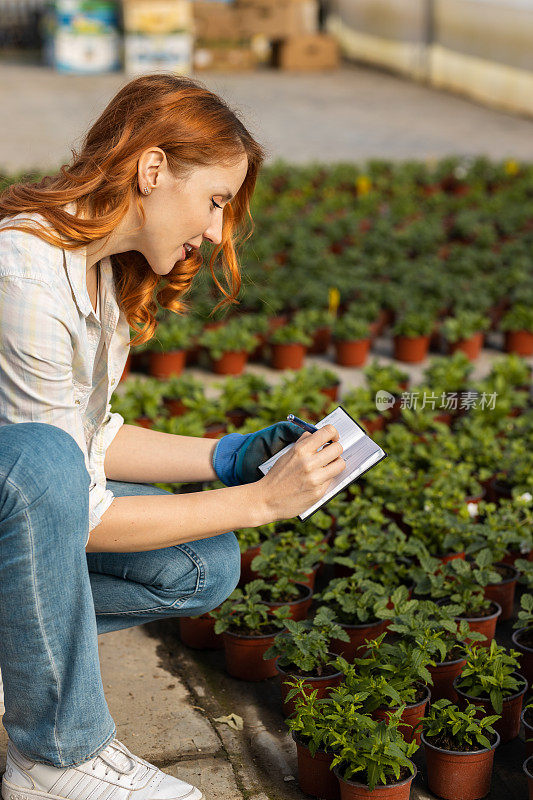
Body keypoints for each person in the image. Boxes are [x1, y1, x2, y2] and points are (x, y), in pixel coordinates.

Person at [0, 74, 345, 800]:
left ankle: (19, 660)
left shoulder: (96, 274)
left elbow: (89, 440)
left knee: (201, 563)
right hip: (22, 482)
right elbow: (61, 490)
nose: (218, 231)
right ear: (152, 169)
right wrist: (261, 501)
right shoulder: (23, 276)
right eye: (216, 200)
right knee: (39, 463)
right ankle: (56, 757)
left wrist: (230, 455)